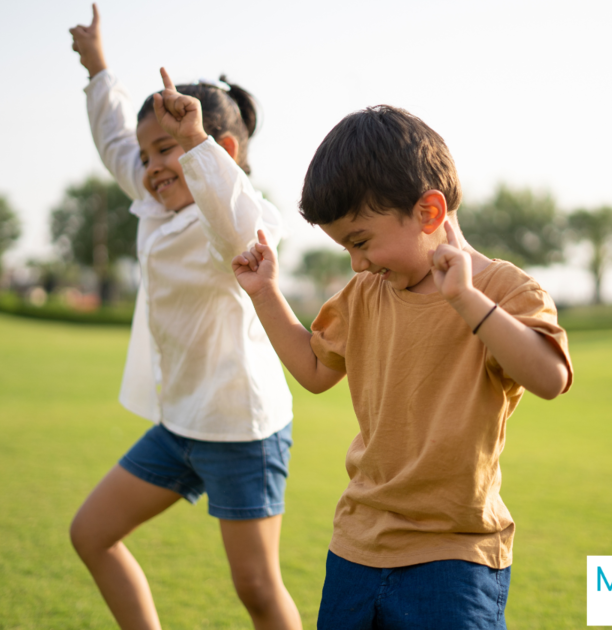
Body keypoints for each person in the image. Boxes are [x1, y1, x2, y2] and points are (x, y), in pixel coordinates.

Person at [232, 105, 574, 629]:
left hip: (454, 558)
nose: (358, 262)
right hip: (357, 546)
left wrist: (465, 298)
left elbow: (550, 378)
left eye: (361, 241)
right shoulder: (367, 293)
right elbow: (315, 371)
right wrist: (265, 294)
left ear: (429, 213)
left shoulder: (504, 292)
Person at [68, 6, 301, 629]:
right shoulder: (154, 203)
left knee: (255, 586)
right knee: (90, 533)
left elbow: (242, 225)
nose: (150, 167)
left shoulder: (228, 220)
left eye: (165, 149)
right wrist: (98, 69)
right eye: (149, 156)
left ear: (217, 150)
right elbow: (117, 141)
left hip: (240, 430)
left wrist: (193, 146)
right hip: (180, 425)